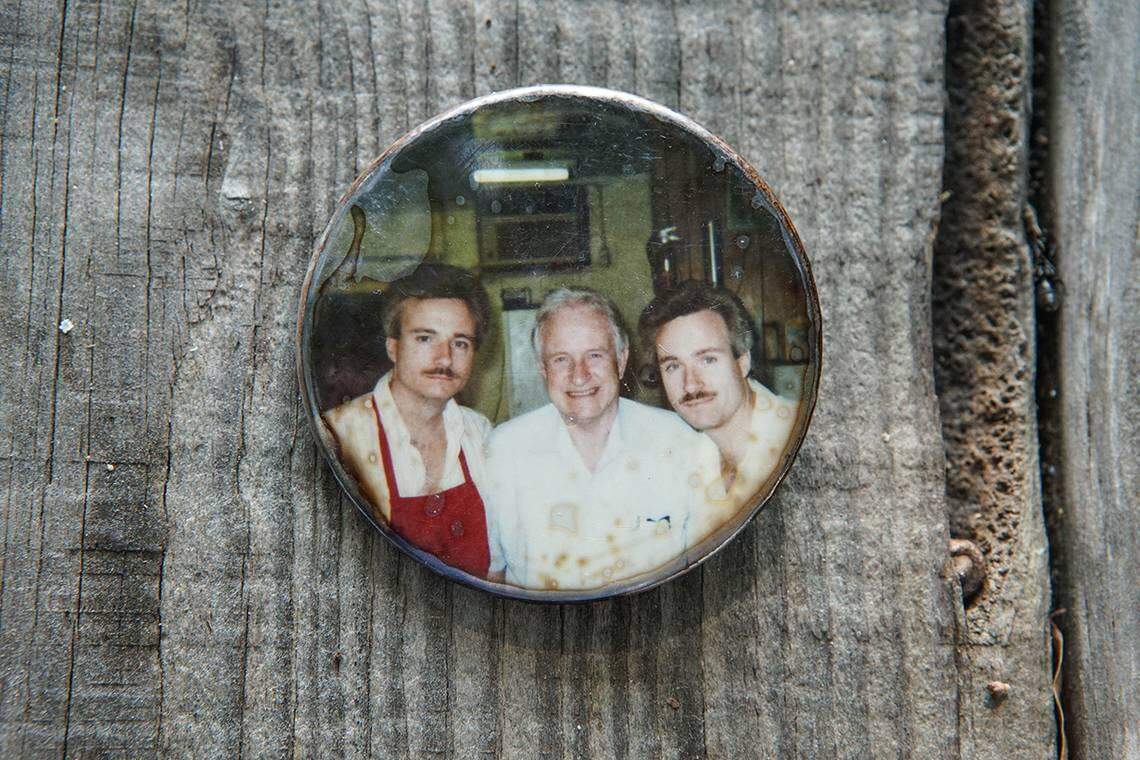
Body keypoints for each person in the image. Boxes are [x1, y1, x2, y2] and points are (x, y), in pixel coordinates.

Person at [485, 288, 723, 591]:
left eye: (595, 355)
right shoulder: (503, 451)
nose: (579, 375)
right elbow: (493, 574)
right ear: (542, 369)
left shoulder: (683, 443)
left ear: (621, 361)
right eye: (561, 359)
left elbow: (706, 575)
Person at [322, 264, 495, 577]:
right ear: (393, 347)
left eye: (460, 343)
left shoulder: (480, 433)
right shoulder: (338, 435)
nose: (445, 358)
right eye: (425, 338)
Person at [638, 280, 799, 541]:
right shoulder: (688, 460)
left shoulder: (797, 437)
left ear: (743, 361)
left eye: (708, 359)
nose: (691, 384)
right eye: (673, 366)